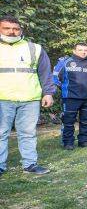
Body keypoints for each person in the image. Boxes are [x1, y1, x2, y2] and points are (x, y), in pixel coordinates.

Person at [0, 15, 54, 176]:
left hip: (29, 99)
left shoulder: (34, 48)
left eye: (16, 29)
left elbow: (45, 73)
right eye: (7, 28)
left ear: (21, 30)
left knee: (28, 133)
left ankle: (30, 164)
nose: (12, 32)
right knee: (1, 133)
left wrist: (48, 93)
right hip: (2, 99)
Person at [53, 43, 87, 150]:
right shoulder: (65, 62)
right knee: (68, 122)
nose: (83, 52)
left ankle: (84, 141)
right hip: (70, 97)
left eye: (85, 50)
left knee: (86, 121)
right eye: (80, 50)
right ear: (74, 51)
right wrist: (66, 88)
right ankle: (68, 143)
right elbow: (56, 78)